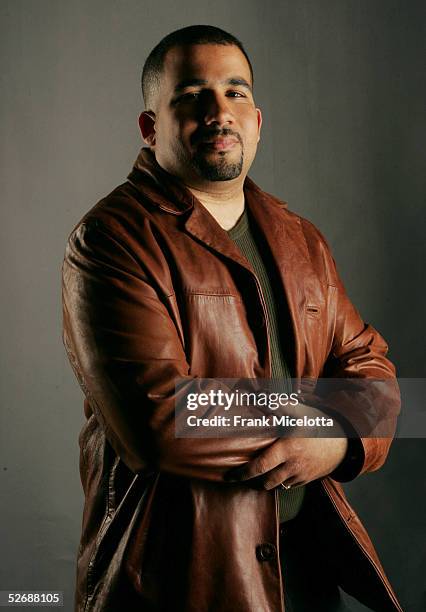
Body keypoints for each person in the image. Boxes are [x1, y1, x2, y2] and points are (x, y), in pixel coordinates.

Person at [62, 25, 403, 612]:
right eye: (192, 95)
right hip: (182, 577)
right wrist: (326, 417)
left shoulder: (301, 239)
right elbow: (163, 416)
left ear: (258, 120)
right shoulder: (110, 240)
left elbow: (381, 380)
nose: (219, 112)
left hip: (305, 568)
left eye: (235, 92)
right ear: (150, 127)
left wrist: (333, 438)